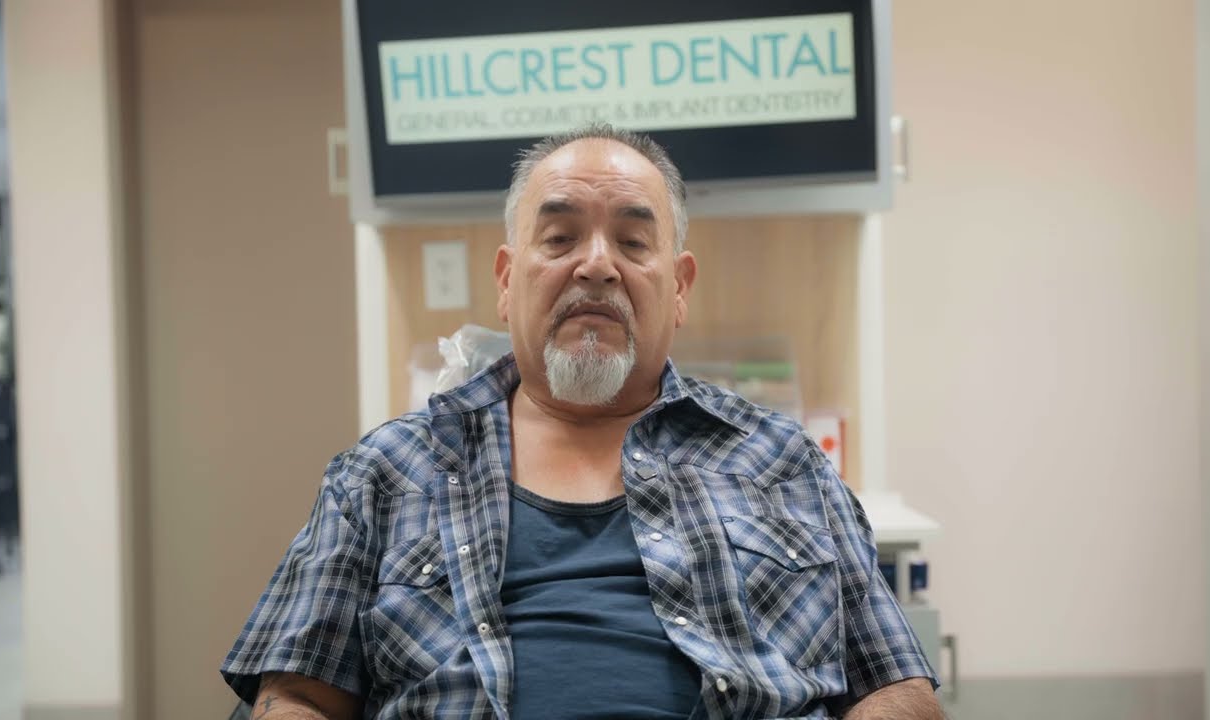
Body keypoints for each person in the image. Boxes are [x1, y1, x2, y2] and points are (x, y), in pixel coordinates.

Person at [221, 123, 943, 719]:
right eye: (560, 238)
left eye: (633, 244)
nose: (596, 266)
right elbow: (296, 695)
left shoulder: (783, 460)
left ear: (680, 287)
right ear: (507, 281)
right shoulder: (383, 474)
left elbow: (896, 686)